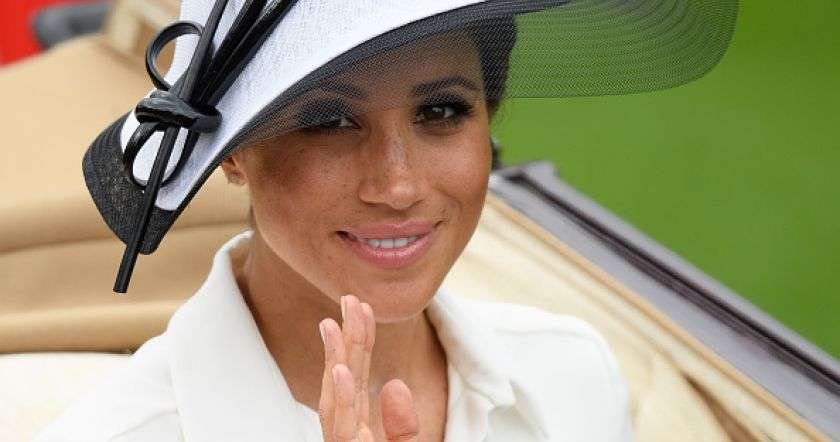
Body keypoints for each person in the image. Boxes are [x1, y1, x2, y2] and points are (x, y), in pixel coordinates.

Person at [36, 0, 737, 440]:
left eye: (441, 111)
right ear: (232, 153)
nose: (398, 186)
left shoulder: (571, 374)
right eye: (329, 121)